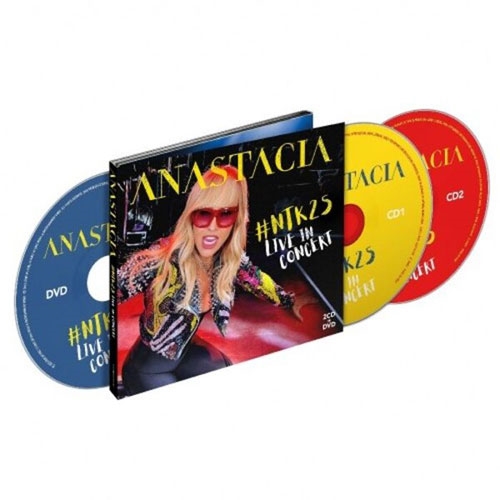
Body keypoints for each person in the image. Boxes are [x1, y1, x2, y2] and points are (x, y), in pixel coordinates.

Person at [117, 165, 307, 396]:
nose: (212, 227)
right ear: (191, 214)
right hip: (147, 370)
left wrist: (288, 301)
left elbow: (258, 281)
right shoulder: (161, 259)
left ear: (238, 219)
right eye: (204, 214)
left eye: (225, 214)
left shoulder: (228, 261)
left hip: (186, 351)